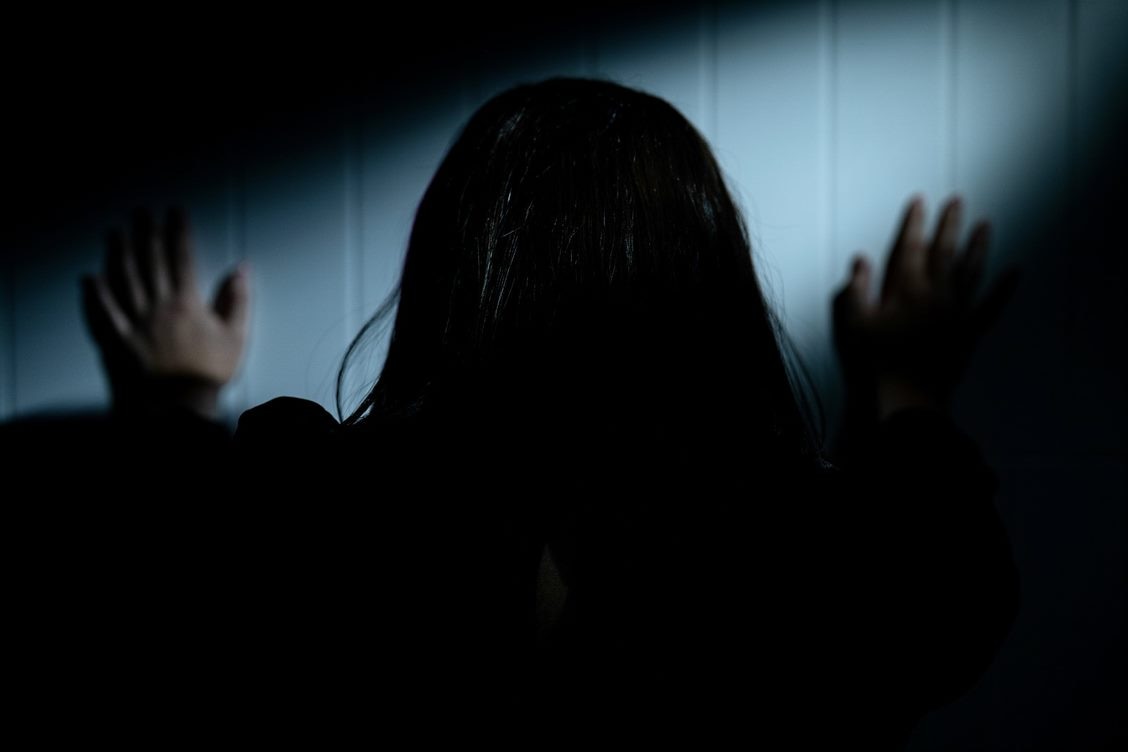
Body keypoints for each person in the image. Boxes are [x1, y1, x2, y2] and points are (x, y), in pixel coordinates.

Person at [14, 78, 1019, 746]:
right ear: (714, 292)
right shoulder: (834, 565)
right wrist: (909, 385)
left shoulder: (312, 503)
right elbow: (944, 585)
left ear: (449, 279)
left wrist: (175, 405)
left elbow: (173, 570)